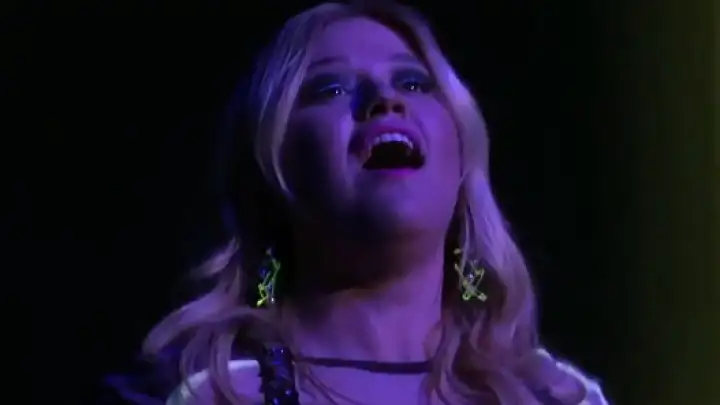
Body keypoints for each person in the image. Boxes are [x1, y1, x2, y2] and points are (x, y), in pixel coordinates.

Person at [127, 2, 609, 404]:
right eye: (331, 88)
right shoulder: (207, 393)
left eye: (414, 83)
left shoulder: (555, 397)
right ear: (271, 167)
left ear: (463, 155)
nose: (385, 99)